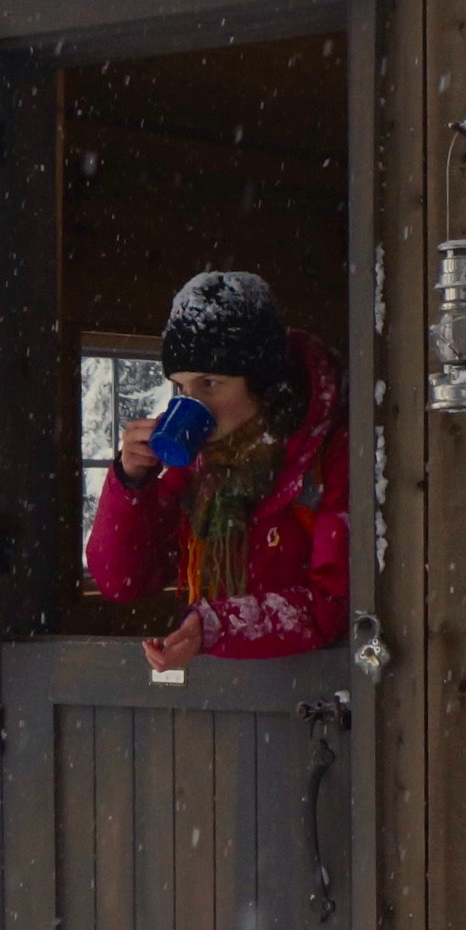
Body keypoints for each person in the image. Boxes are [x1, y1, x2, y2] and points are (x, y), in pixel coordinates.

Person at [85, 269, 349, 674]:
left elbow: (334, 605)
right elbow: (123, 581)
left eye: (210, 382)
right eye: (183, 387)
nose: (195, 405)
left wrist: (215, 626)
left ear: (264, 382)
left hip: (326, 692)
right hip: (238, 698)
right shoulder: (201, 464)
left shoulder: (333, 450)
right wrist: (130, 483)